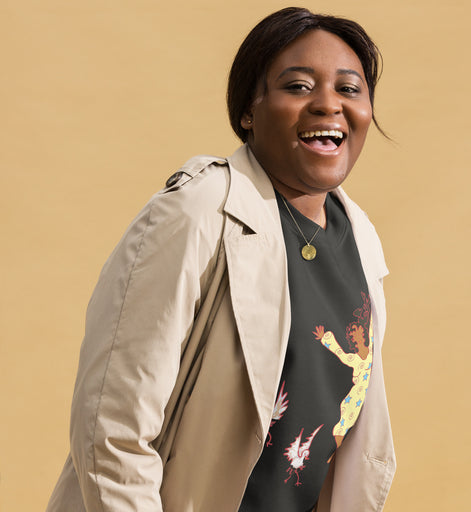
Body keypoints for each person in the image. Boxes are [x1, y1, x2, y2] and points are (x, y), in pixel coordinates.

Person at [47, 7, 395, 512]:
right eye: (298, 86)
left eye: (349, 89)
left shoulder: (359, 236)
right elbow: (112, 428)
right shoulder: (199, 210)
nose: (328, 104)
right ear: (249, 110)